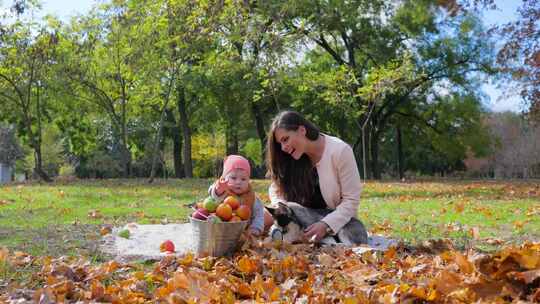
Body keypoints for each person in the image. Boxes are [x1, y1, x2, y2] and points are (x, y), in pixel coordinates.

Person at [265, 110, 366, 243]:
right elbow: (275, 188)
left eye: (285, 139)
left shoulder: (340, 151)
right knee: (263, 215)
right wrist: (280, 204)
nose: (283, 148)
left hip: (338, 224)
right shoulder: (292, 158)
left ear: (302, 130)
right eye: (280, 144)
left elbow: (351, 201)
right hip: (301, 218)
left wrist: (326, 225)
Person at [208, 155, 265, 236]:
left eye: (243, 179)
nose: (238, 182)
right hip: (221, 230)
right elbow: (214, 197)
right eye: (233, 178)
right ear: (224, 178)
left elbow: (259, 214)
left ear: (248, 180)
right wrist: (219, 189)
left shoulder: (251, 196)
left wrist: (256, 227)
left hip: (243, 232)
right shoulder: (223, 189)